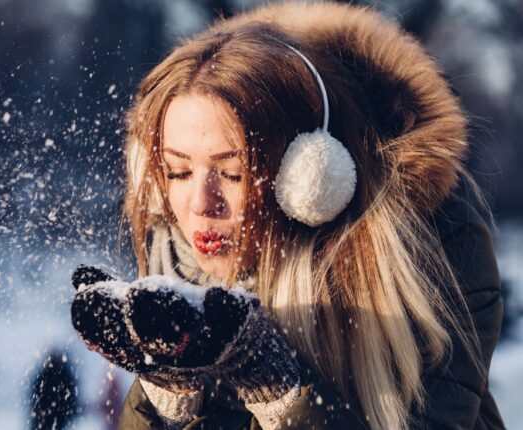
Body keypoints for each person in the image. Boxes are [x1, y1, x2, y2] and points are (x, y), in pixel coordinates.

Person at [70, 2, 506, 429]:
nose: (201, 204)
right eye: (178, 171)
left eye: (233, 173)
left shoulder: (437, 252)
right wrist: (167, 396)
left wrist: (279, 394)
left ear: (310, 176)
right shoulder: (178, 266)